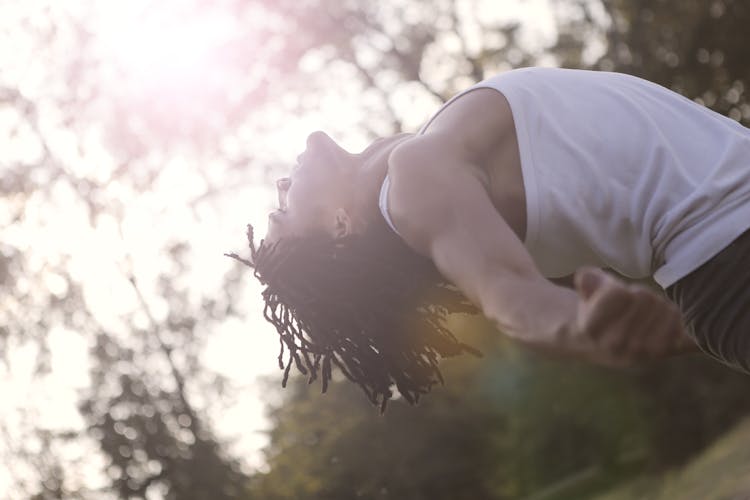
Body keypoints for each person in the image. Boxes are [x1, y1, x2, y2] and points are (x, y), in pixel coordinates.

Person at [232, 67, 750, 411]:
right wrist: (579, 325)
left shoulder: (431, 171)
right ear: (340, 227)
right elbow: (507, 291)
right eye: (281, 213)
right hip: (734, 251)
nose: (280, 186)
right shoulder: (415, 182)